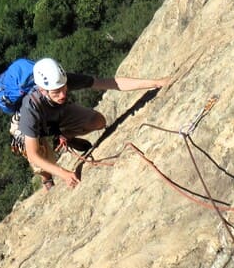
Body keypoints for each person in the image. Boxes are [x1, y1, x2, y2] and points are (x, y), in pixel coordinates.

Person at [15, 57, 170, 190]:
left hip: (56, 114)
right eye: (56, 92)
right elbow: (33, 154)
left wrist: (156, 83)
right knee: (41, 159)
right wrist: (64, 173)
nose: (62, 95)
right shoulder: (30, 107)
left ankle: (65, 136)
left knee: (98, 121)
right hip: (30, 127)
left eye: (64, 89)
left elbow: (110, 83)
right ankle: (46, 180)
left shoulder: (63, 80)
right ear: (42, 90)